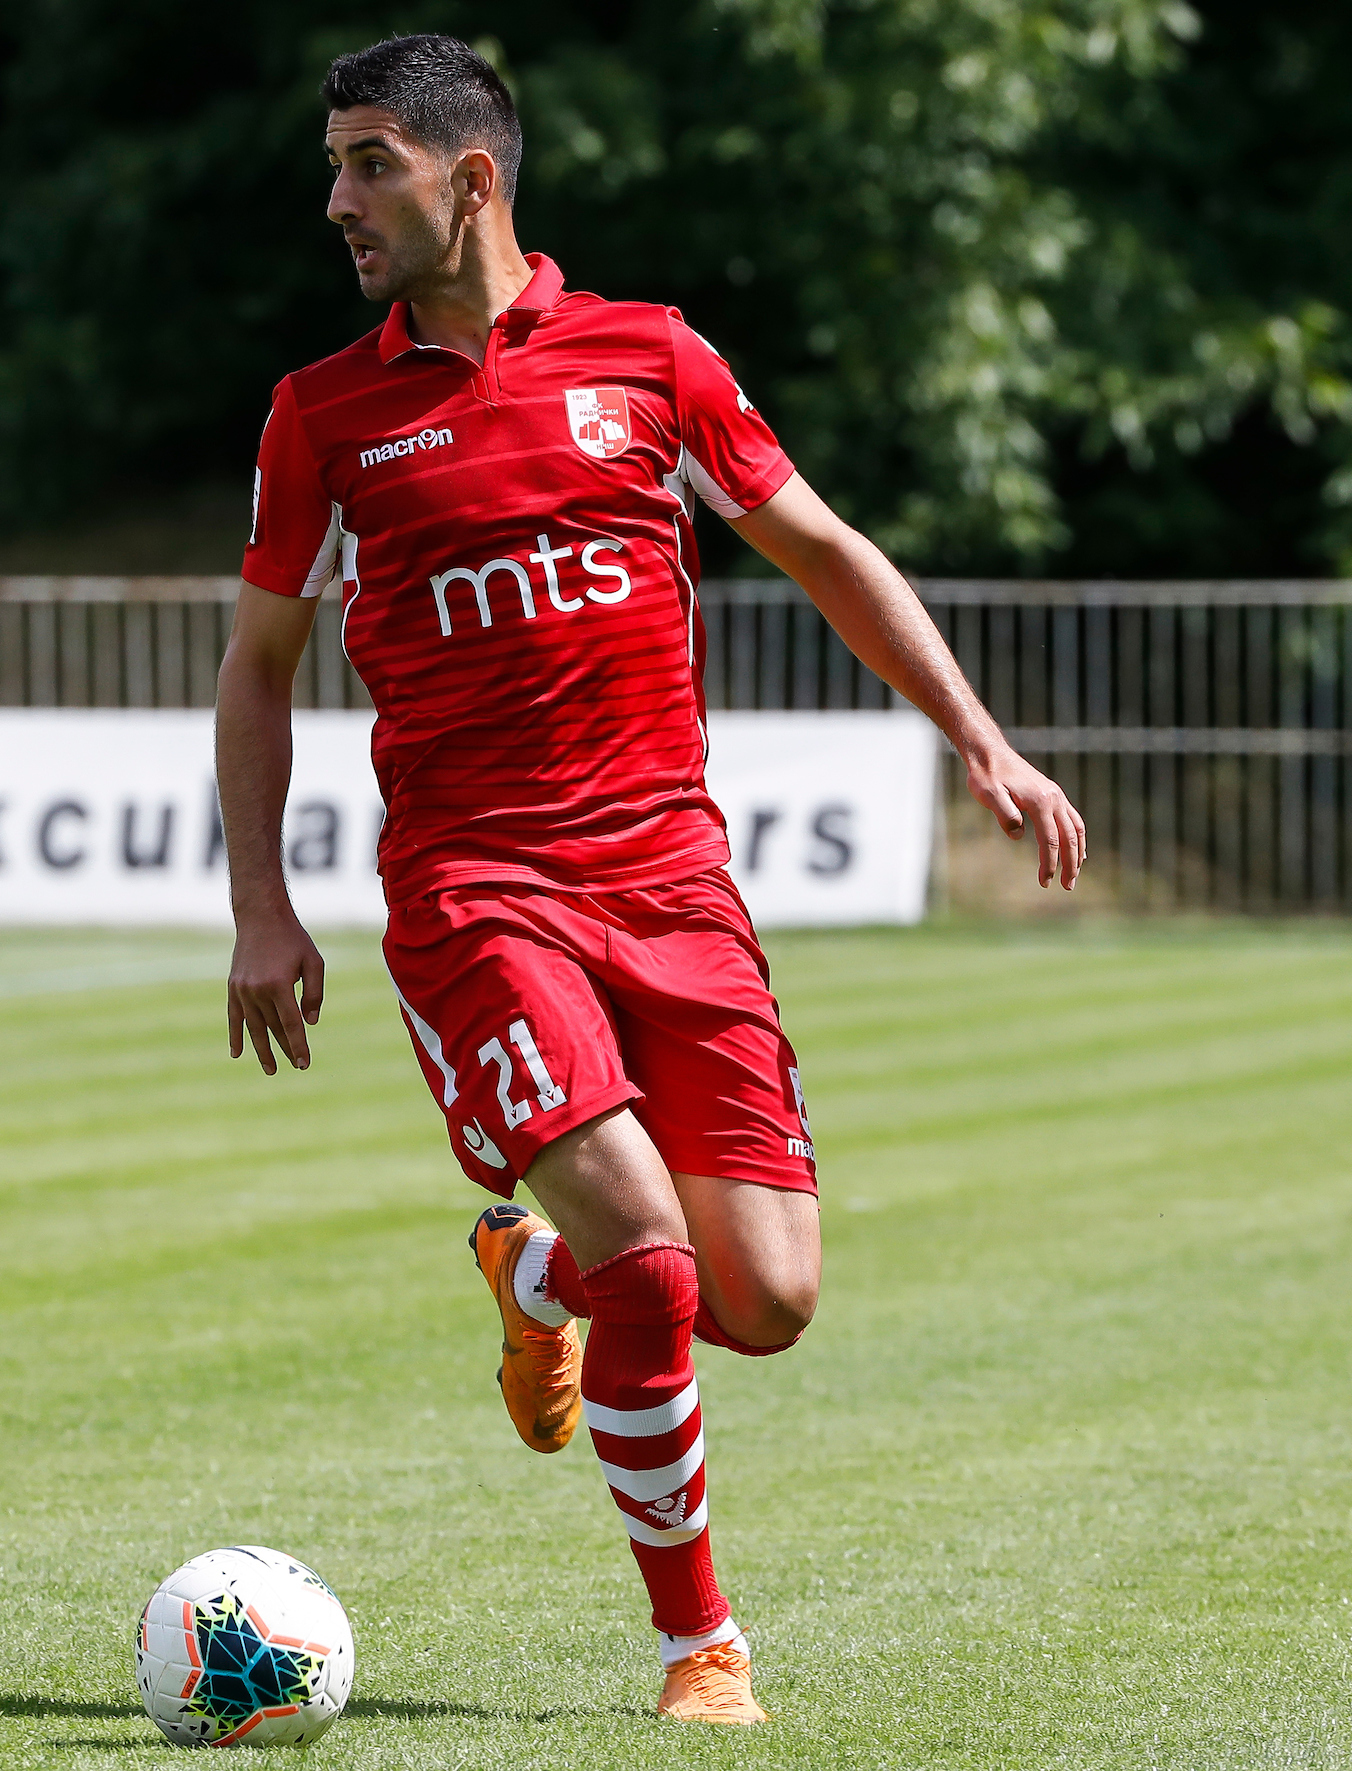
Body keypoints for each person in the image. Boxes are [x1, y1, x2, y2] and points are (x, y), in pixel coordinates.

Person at [216, 32, 1086, 1727]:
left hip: (677, 884)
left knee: (766, 1298)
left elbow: (825, 547)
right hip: (479, 892)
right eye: (334, 165)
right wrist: (263, 903)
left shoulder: (651, 360)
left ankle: (530, 1277)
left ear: (471, 178)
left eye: (368, 163)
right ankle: (704, 1646)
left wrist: (979, 739)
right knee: (657, 1265)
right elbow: (259, 668)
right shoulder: (322, 419)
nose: (337, 199)